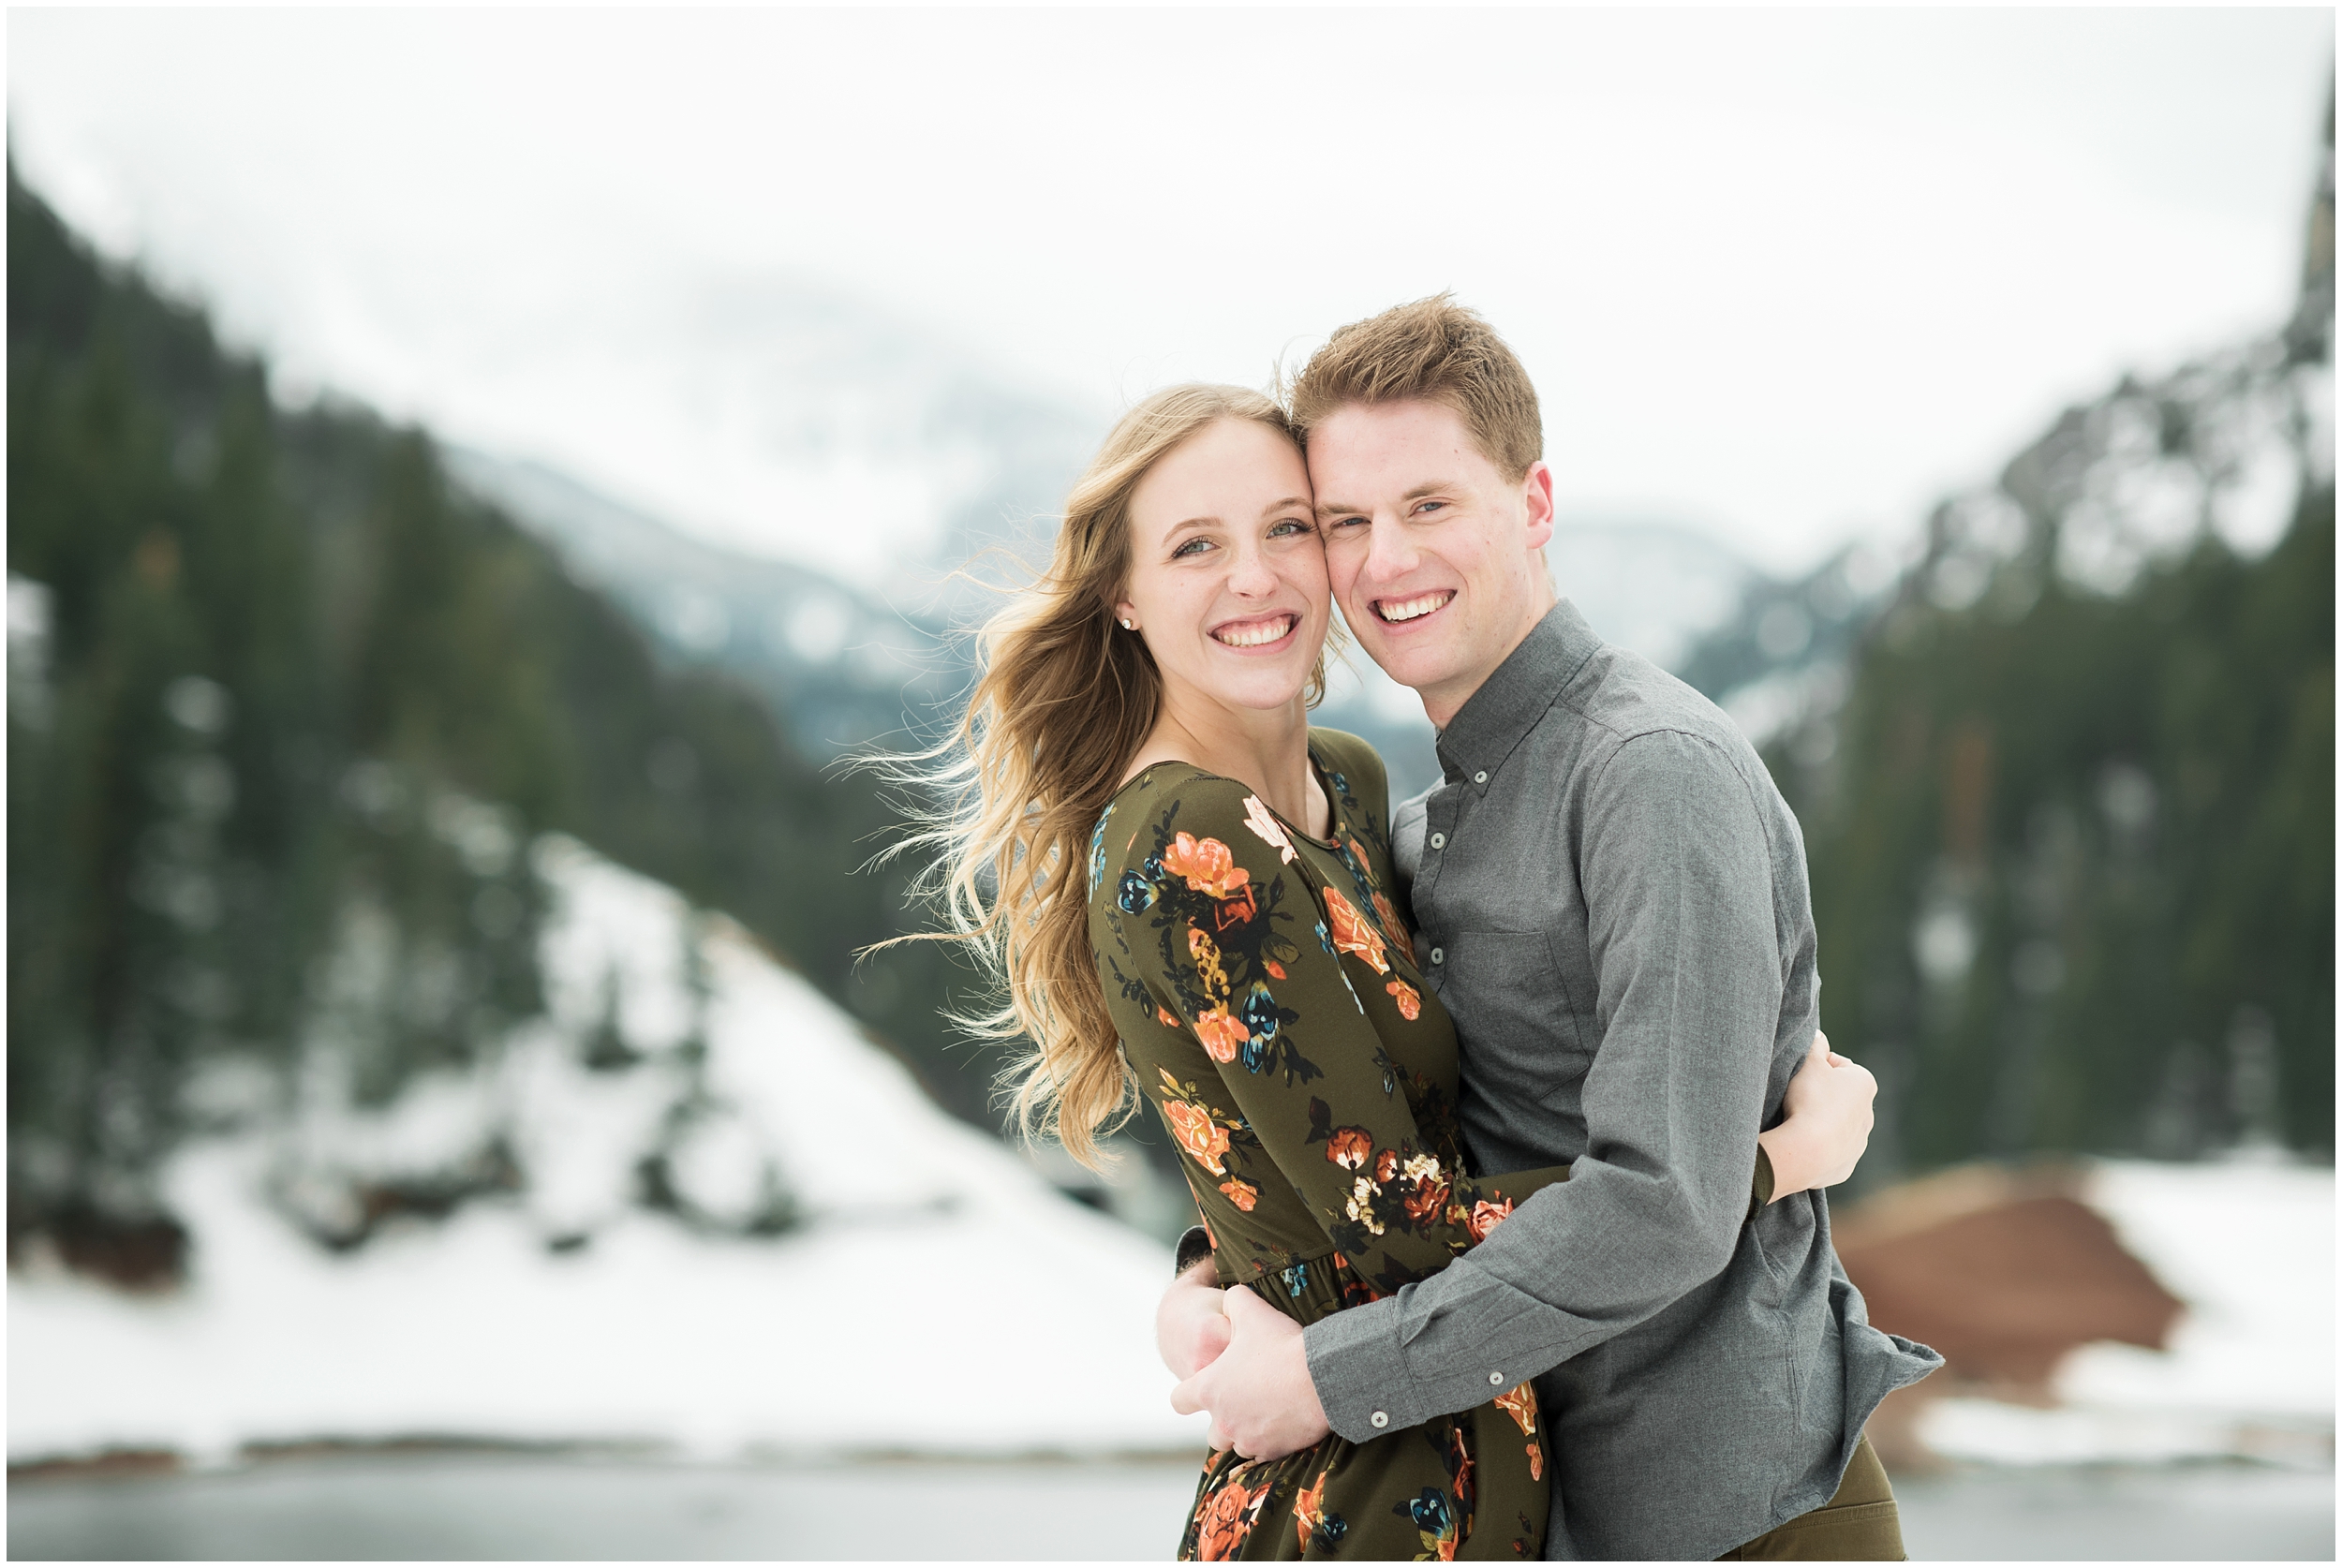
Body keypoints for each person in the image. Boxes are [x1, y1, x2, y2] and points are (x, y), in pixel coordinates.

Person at [898, 379, 1887, 1561]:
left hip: (1637, 1477)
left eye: (1288, 526)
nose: (1259, 575)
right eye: (1195, 545)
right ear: (1123, 592)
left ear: (1534, 504)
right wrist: (1778, 1159)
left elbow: (1365, 1143)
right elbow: (1388, 1214)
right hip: (1367, 1490)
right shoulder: (1191, 845)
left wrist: (1236, 1287)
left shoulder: (1368, 792)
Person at [1156, 298, 1942, 1561]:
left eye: (1428, 504)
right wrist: (1213, 1275)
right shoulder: (1419, 828)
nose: (1383, 560)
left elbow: (1665, 1202)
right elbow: (1385, 1139)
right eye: (1346, 521)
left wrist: (1325, 1373)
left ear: (1533, 503)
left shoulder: (1652, 772)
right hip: (1540, 1513)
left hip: (1735, 1517)